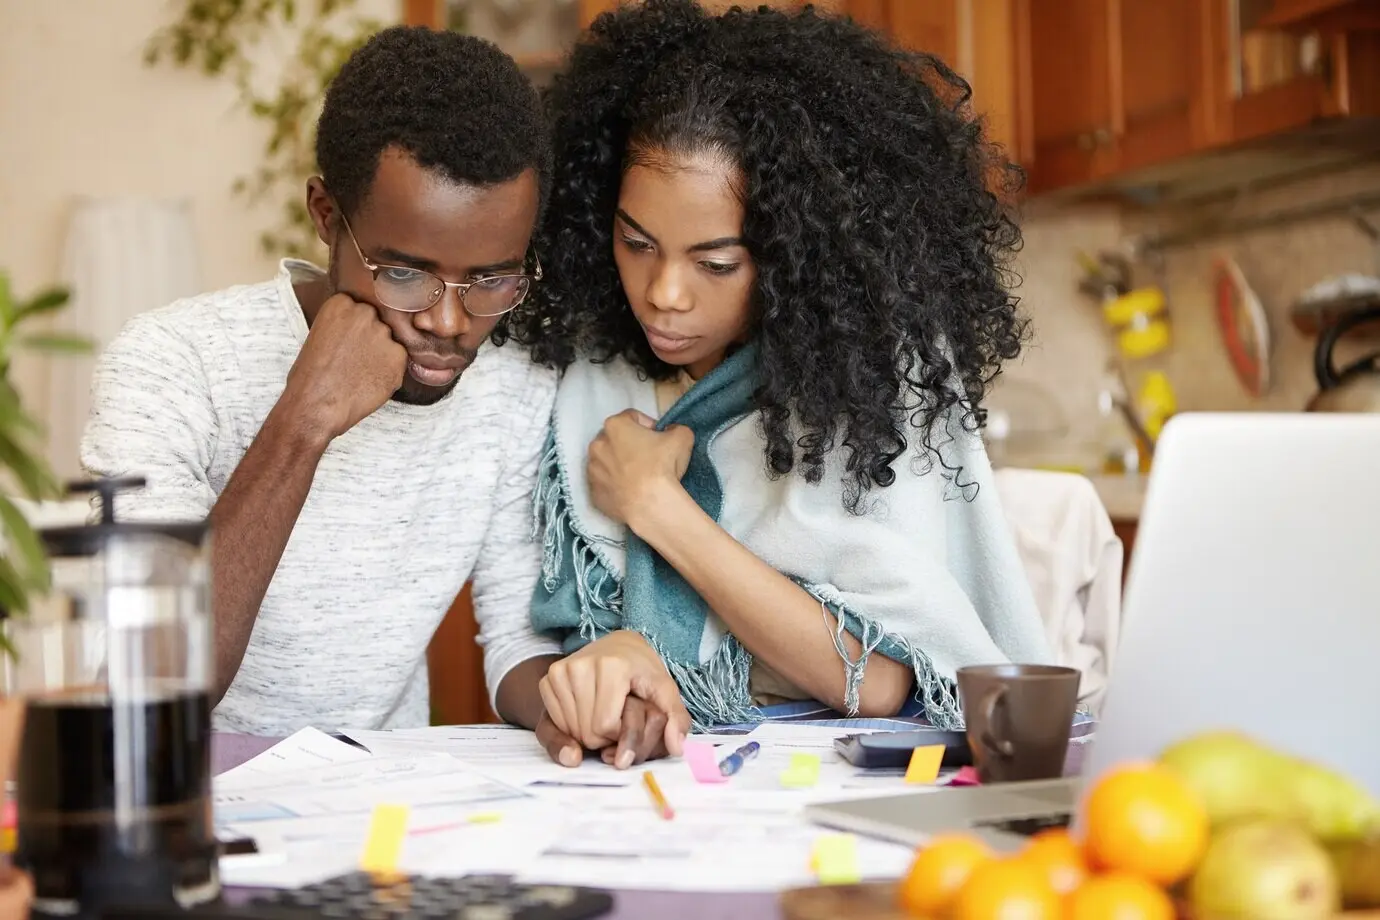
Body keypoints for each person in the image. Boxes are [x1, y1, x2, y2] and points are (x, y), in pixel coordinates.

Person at [505, 0, 1054, 767]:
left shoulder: (863, 384)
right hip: (651, 779)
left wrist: (657, 504)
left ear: (798, 253)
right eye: (636, 243)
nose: (665, 292)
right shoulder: (588, 373)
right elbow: (550, 638)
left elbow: (880, 681)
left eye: (716, 263)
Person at [80, 26, 568, 735]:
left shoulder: (514, 382)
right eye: (404, 273)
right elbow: (150, 690)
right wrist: (303, 421)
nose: (452, 323)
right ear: (326, 216)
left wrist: (581, 702)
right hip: (196, 810)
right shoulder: (171, 362)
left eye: (491, 277)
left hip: (378, 816)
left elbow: (518, 638)